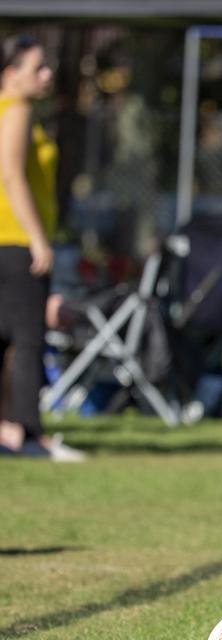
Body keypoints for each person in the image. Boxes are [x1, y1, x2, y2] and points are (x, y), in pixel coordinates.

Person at [0, 34, 82, 461]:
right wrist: (37, 240)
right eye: (37, 68)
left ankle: (7, 433)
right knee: (28, 340)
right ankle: (30, 435)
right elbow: (11, 176)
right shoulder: (16, 109)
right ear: (11, 74)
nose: (46, 75)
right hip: (14, 241)